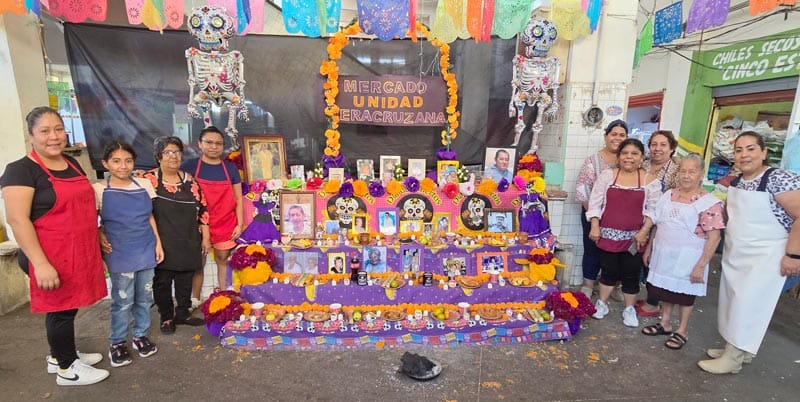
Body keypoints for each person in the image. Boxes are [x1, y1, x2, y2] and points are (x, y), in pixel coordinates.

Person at [0, 106, 109, 386]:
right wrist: (40, 264)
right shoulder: (20, 170)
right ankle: (67, 369)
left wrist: (95, 232)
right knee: (59, 308)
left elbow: (82, 204)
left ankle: (60, 354)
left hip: (75, 250)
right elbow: (17, 220)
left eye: (58, 129)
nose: (54, 136)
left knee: (68, 306)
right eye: (45, 131)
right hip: (46, 253)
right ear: (31, 135)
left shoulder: (70, 163)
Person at [698, 132, 800, 374]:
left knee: (749, 304)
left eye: (751, 149)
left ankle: (733, 358)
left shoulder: (778, 179)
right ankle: (738, 350)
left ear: (764, 152)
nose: (744, 155)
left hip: (768, 255)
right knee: (733, 301)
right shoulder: (736, 182)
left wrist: (793, 255)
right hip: (738, 254)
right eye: (739, 150)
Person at [640, 154, 724, 350]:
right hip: (664, 253)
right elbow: (657, 224)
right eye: (683, 171)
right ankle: (665, 323)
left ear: (701, 174)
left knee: (685, 296)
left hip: (689, 258)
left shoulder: (709, 203)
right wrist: (650, 248)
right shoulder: (669, 195)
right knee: (665, 290)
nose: (686, 176)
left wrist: (701, 265)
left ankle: (682, 330)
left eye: (692, 171)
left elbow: (714, 238)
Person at [94, 141, 162, 367]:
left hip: (145, 247)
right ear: (105, 163)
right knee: (122, 300)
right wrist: (100, 236)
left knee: (144, 297)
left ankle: (140, 336)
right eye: (116, 161)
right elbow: (94, 222)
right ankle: (117, 342)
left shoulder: (143, 184)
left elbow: (150, 217)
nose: (123, 166)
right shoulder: (99, 189)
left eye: (128, 161)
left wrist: (158, 244)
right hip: (119, 251)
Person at [587, 138, 660, 328]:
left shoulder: (648, 180)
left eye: (634, 154)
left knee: (631, 274)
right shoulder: (608, 176)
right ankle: (602, 304)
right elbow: (595, 202)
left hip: (635, 238)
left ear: (641, 157)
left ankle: (629, 309)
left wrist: (644, 231)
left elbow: (654, 210)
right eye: (625, 153)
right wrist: (595, 225)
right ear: (619, 156)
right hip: (608, 234)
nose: (629, 157)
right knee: (608, 271)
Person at [144, 137, 210, 335]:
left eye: (177, 152)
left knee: (185, 279)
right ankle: (166, 317)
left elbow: (203, 211)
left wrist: (205, 238)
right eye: (168, 152)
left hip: (188, 239)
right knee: (162, 282)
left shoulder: (190, 181)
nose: (173, 156)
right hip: (161, 242)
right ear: (158, 157)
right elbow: (142, 212)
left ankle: (183, 312)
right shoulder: (149, 180)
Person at [180, 126, 243, 305]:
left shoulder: (230, 168)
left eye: (218, 143)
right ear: (200, 144)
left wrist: (240, 224)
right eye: (209, 142)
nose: (214, 147)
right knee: (198, 263)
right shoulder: (190, 166)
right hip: (198, 224)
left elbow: (238, 197)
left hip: (225, 221)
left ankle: (225, 298)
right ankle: (194, 301)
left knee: (222, 259)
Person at [575, 119, 628, 300]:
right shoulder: (593, 161)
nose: (617, 138)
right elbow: (582, 191)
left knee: (619, 252)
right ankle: (588, 285)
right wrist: (595, 219)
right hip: (593, 214)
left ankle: (614, 286)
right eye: (614, 134)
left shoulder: (630, 160)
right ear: (606, 136)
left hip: (621, 219)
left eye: (622, 135)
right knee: (592, 250)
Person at [636, 130, 681, 317]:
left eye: (663, 145)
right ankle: (648, 296)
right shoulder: (643, 164)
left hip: (662, 222)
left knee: (654, 260)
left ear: (672, 148)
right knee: (639, 257)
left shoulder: (676, 169)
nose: (658, 149)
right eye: (654, 144)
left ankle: (654, 302)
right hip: (638, 217)